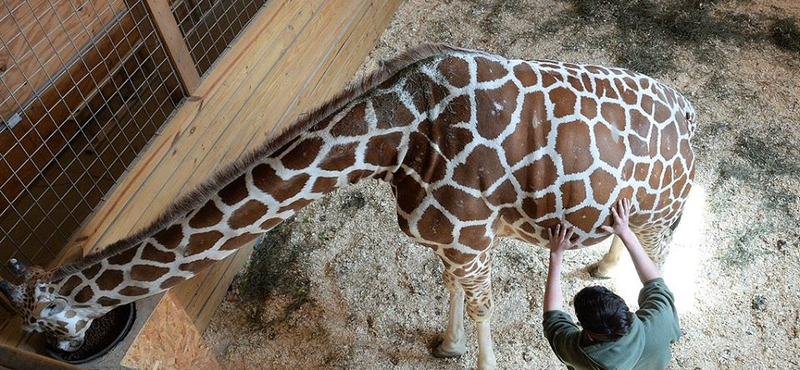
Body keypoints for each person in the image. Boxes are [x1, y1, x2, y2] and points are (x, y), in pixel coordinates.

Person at [542, 198, 681, 370]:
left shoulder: (584, 356)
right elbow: (655, 282)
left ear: (591, 337)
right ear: (623, 309)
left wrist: (556, 254)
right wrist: (625, 232)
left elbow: (553, 319)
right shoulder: (660, 316)